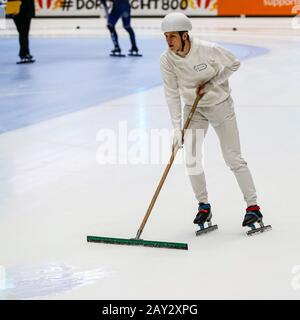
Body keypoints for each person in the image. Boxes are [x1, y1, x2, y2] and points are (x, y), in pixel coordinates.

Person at [160, 12, 269, 234]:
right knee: (191, 158)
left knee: (232, 157)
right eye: (166, 36)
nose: (169, 41)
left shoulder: (207, 49)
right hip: (193, 108)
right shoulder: (167, 60)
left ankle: (253, 207)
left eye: (173, 36)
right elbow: (171, 92)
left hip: (220, 105)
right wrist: (176, 128)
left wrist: (212, 83)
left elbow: (234, 63)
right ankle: (204, 206)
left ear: (185, 35)